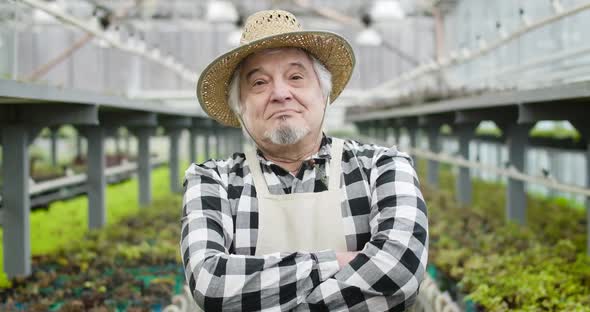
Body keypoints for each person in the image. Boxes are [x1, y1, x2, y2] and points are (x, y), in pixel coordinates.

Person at [180, 9, 428, 312]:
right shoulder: (213, 180)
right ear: (240, 107)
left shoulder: (382, 167)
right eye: (259, 83)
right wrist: (337, 261)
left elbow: (399, 271)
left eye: (296, 77)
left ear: (323, 93)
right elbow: (211, 284)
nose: (280, 93)